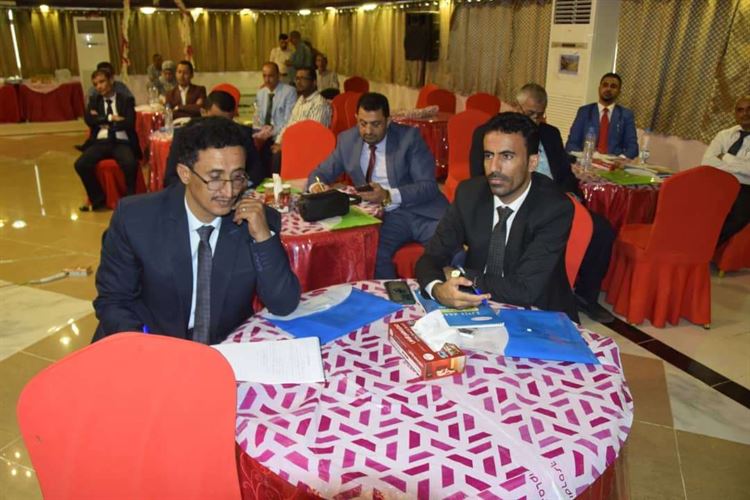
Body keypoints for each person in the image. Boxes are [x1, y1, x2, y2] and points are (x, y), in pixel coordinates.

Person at [92, 116, 301, 345]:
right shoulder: (136, 219)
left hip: (222, 347)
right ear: (185, 174)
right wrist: (148, 349)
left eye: (237, 177)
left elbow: (283, 304)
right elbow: (113, 301)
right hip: (150, 343)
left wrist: (263, 238)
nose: (229, 191)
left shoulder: (256, 221)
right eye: (215, 178)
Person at [470, 83, 616, 323]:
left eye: (540, 115)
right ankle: (531, 290)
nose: (535, 120)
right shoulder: (489, 134)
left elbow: (565, 174)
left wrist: (571, 194)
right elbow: (480, 179)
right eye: (530, 114)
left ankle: (585, 296)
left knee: (602, 230)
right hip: (516, 200)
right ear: (515, 106)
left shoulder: (550, 134)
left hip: (555, 199)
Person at [417, 112, 578, 321]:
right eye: (488, 155)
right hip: (479, 305)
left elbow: (524, 289)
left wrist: (461, 274)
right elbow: (431, 257)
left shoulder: (554, 208)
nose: (494, 168)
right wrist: (437, 289)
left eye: (507, 156)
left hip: (540, 313)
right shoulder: (469, 194)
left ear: (532, 162)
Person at [308, 92, 448, 278]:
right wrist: (317, 187)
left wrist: (388, 195)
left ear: (388, 121)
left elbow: (428, 186)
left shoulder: (409, 138)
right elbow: (319, 174)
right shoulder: (347, 141)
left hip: (421, 211)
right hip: (387, 217)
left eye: (376, 124)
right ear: (356, 118)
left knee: (452, 251)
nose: (368, 131)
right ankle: (391, 294)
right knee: (373, 256)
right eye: (363, 123)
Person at [164, 90, 264, 189]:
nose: (219, 126)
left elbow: (256, 173)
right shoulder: (184, 135)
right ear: (203, 112)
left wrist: (240, 186)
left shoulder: (242, 134)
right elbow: (171, 179)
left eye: (226, 122)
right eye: (215, 119)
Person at [75, 69, 140, 212]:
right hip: (101, 141)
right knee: (80, 164)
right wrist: (110, 118)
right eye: (95, 84)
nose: (99, 87)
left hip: (121, 140)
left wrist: (103, 121)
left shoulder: (125, 99)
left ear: (111, 80)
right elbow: (89, 120)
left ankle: (130, 200)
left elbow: (129, 123)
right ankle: (97, 198)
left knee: (130, 163)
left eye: (102, 82)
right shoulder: (94, 100)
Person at [702, 95, 750, 245]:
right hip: (718, 181)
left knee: (739, 216)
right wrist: (740, 166)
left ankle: (706, 246)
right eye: (740, 110)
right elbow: (707, 161)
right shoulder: (724, 135)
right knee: (692, 202)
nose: (745, 114)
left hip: (745, 187)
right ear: (735, 114)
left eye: (749, 109)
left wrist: (725, 157)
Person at [271, 67, 332, 171]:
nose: (299, 82)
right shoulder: (301, 99)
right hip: (295, 145)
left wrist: (286, 146)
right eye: (297, 78)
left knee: (277, 156)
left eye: (303, 78)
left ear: (314, 82)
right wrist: (278, 141)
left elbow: (312, 136)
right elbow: (289, 124)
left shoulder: (319, 104)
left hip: (310, 150)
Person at [565, 73, 639, 159]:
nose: (608, 89)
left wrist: (619, 159)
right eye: (605, 85)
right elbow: (571, 144)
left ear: (619, 92)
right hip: (587, 160)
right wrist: (585, 157)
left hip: (613, 162)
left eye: (613, 86)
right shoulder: (584, 112)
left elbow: (633, 148)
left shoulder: (626, 115)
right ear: (599, 88)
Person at [254, 62, 297, 139]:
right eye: (264, 76)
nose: (267, 80)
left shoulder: (289, 91)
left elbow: (289, 120)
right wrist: (259, 132)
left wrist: (271, 132)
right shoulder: (260, 93)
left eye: (270, 76)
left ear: (278, 75)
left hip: (280, 136)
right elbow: (258, 118)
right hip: (262, 135)